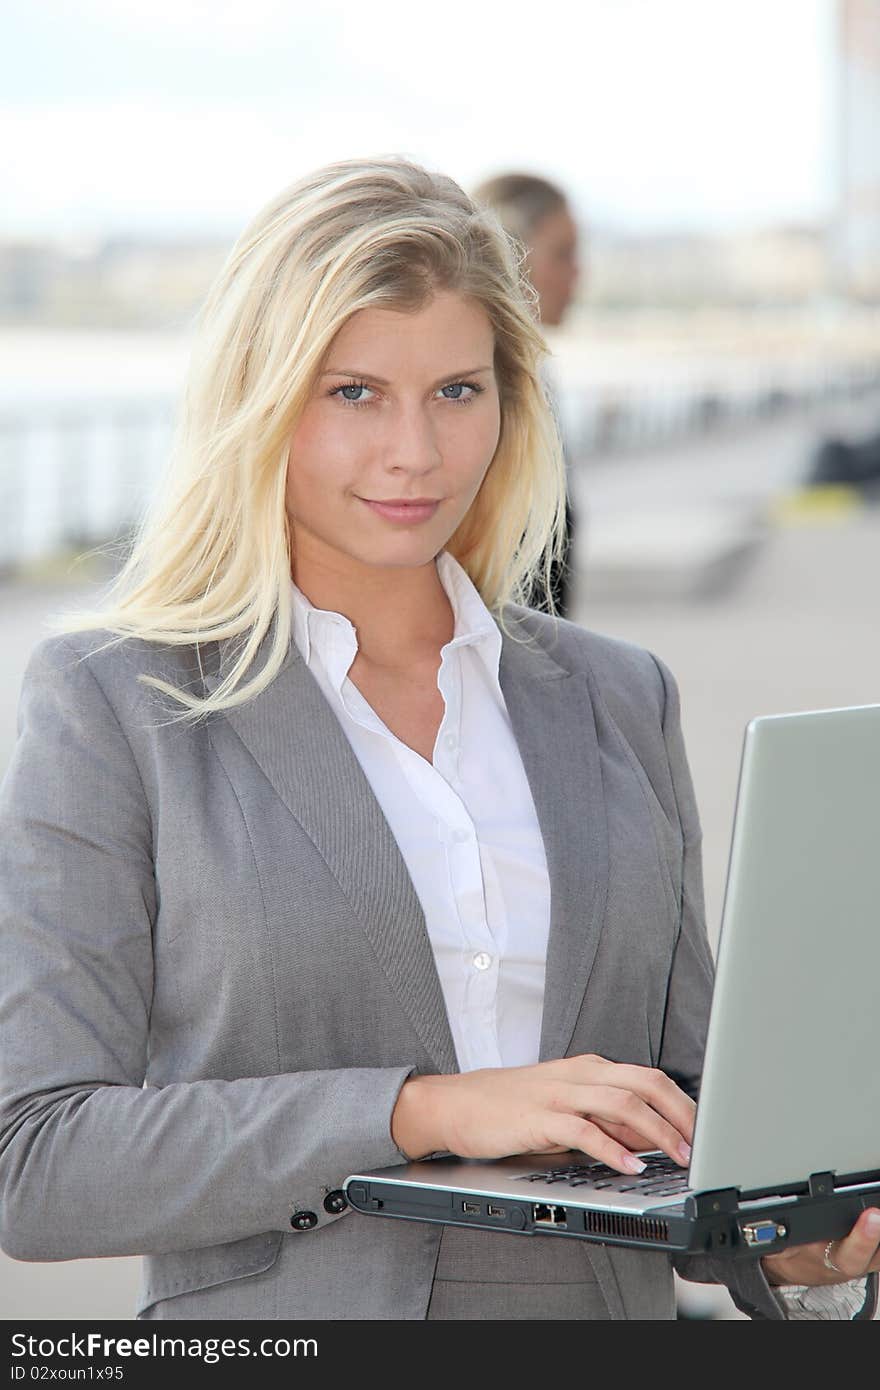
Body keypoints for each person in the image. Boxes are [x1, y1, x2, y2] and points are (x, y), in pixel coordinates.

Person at [0, 156, 876, 1322]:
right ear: (257, 400)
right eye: (352, 392)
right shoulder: (115, 702)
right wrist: (422, 1108)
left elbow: (688, 1110)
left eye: (457, 391)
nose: (415, 452)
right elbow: (37, 1160)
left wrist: (781, 1247)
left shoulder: (619, 698)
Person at [471, 171, 581, 618]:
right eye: (563, 253)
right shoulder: (486, 390)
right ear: (511, 255)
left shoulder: (529, 376)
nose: (577, 272)